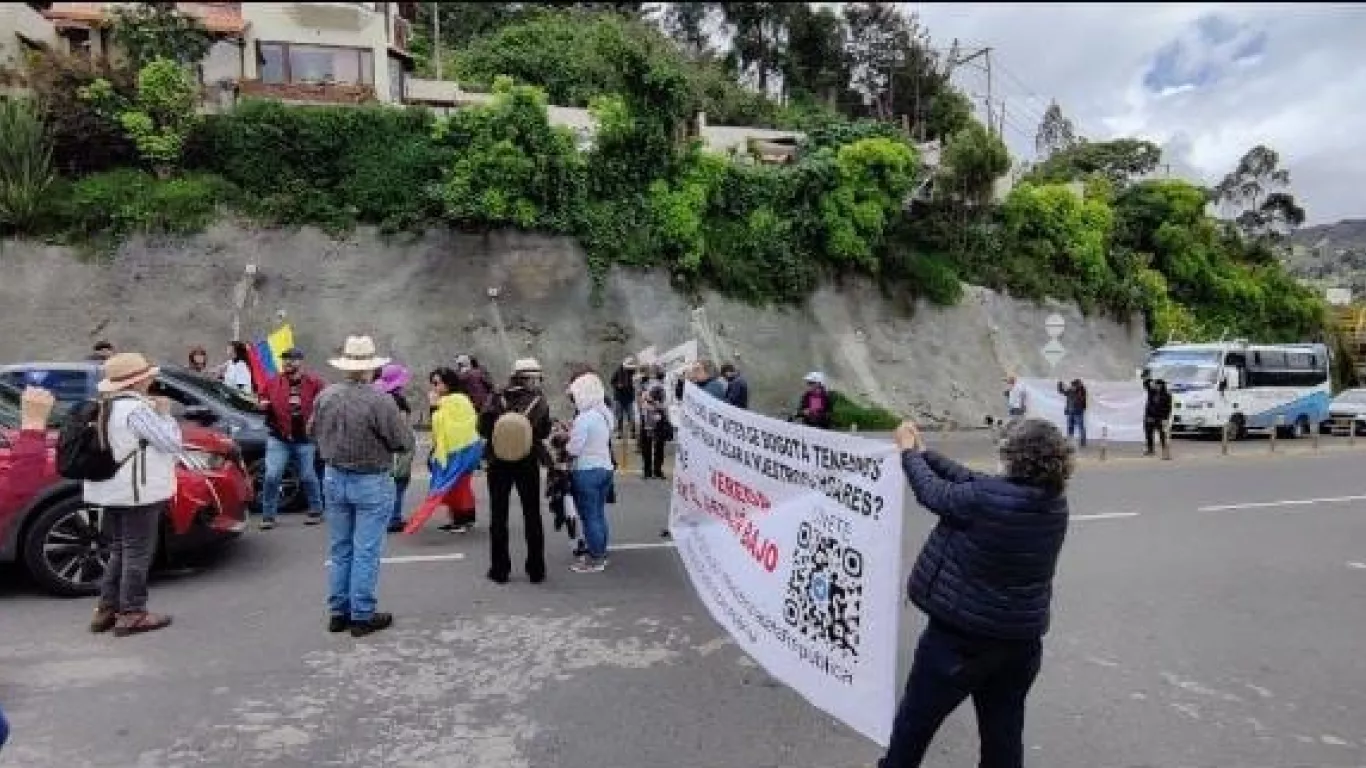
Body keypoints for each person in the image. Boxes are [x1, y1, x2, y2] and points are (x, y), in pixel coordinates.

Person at [879, 418, 1072, 768]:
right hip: (1020, 643)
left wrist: (908, 454)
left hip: (960, 642)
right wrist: (926, 454)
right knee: (1004, 734)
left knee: (915, 724)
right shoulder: (1055, 502)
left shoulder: (986, 500)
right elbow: (973, 480)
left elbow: (932, 493)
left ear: (1015, 457)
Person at [311, 335, 413, 638]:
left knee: (340, 548)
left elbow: (312, 430)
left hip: (333, 474)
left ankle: (338, 612)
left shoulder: (326, 396)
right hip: (369, 478)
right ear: (371, 368)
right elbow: (401, 441)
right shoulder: (380, 400)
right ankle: (362, 614)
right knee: (366, 550)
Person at [86, 352, 187, 637]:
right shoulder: (135, 409)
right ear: (138, 380)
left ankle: (107, 607)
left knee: (120, 549)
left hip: (112, 489)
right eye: (148, 376)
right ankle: (132, 612)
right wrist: (165, 414)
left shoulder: (104, 407)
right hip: (138, 491)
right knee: (137, 552)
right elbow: (171, 443)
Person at [478, 358, 552, 584]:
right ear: (529, 378)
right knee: (532, 514)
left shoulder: (495, 397)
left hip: (498, 461)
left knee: (498, 515)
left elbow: (482, 429)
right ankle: (536, 569)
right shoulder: (539, 402)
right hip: (527, 460)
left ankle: (500, 570)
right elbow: (544, 432)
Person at [257, 348, 326, 529]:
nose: (287, 363)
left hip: (305, 438)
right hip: (279, 437)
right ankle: (268, 516)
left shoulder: (314, 382)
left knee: (307, 475)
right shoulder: (273, 382)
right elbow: (262, 396)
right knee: (272, 476)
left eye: (292, 359)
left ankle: (316, 511)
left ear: (300, 362)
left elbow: (326, 400)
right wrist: (263, 403)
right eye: (285, 359)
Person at [563, 371, 615, 573]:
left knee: (589, 515)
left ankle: (595, 558)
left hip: (586, 470)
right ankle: (600, 550)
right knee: (599, 513)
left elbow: (574, 448)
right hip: (605, 468)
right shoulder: (604, 414)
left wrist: (566, 442)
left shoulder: (584, 418)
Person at [429, 367, 479, 533]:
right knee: (457, 485)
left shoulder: (454, 400)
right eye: (432, 383)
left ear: (448, 383)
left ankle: (463, 520)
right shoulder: (458, 399)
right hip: (462, 449)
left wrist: (434, 407)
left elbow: (442, 425)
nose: (434, 387)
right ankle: (461, 519)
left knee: (459, 486)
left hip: (460, 450)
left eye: (437, 383)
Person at [372, 363, 414, 534]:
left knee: (385, 483)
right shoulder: (398, 400)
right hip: (398, 448)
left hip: (381, 446)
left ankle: (384, 517)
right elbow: (402, 426)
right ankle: (394, 518)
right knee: (399, 482)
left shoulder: (378, 396)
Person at [638, 365, 672, 479]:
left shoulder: (663, 386)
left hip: (653, 416)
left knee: (656, 444)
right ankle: (652, 470)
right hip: (649, 416)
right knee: (652, 445)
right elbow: (640, 400)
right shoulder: (644, 384)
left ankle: (654, 470)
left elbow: (665, 403)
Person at [1143, 376, 1173, 458]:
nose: (1156, 386)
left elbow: (1168, 408)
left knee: (1162, 435)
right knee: (1149, 434)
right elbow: (1146, 384)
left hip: (1161, 418)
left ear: (1162, 385)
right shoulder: (1151, 392)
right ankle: (1150, 450)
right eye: (1155, 384)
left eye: (1157, 385)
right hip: (1150, 417)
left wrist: (1166, 419)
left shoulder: (1167, 395)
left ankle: (1165, 450)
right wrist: (1149, 378)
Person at [610, 358, 639, 438]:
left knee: (631, 416)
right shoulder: (618, 371)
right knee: (619, 416)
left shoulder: (632, 372)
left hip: (629, 397)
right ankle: (620, 433)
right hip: (619, 397)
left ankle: (633, 433)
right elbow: (612, 382)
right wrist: (618, 385)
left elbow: (635, 381)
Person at [1057, 378, 1087, 447]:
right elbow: (1062, 392)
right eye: (1072, 385)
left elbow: (1080, 399)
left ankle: (1083, 442)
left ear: (1078, 385)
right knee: (1070, 427)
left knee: (1080, 427)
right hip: (1070, 411)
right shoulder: (1071, 391)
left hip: (1078, 412)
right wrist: (1060, 385)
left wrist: (1076, 390)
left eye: (1074, 385)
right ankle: (1070, 441)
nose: (1072, 386)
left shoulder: (1081, 391)